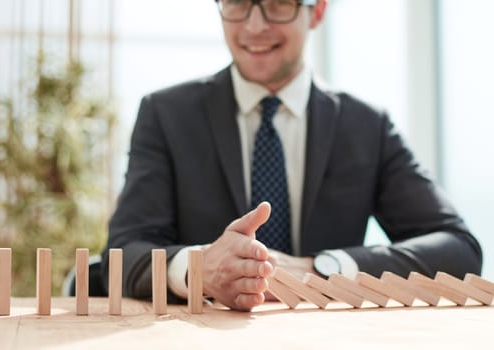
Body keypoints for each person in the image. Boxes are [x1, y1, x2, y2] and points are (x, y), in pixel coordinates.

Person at [101, 0, 482, 311]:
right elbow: (124, 251)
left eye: (277, 4)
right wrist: (204, 268)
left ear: (317, 11)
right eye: (236, 3)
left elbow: (458, 249)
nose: (253, 25)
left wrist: (323, 269)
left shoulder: (367, 126)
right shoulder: (166, 115)